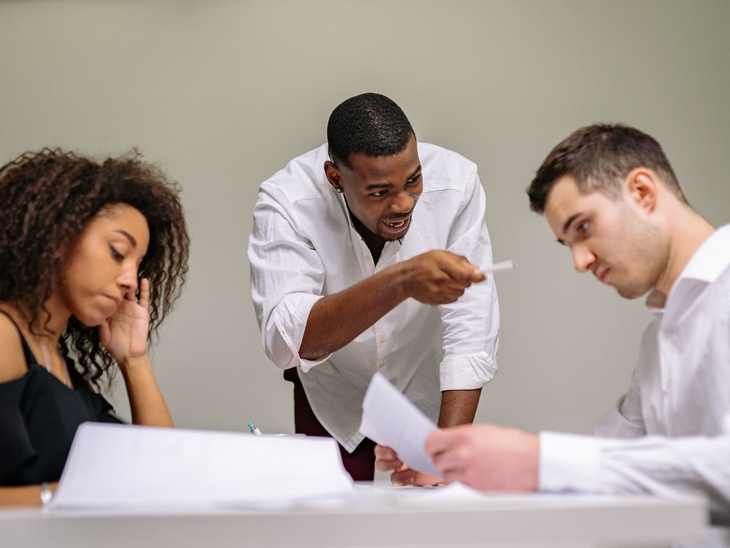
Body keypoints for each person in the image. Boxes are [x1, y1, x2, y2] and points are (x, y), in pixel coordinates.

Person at [419, 124, 730, 524]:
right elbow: (613, 458)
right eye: (569, 244)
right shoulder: (660, 339)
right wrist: (466, 462)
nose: (580, 262)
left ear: (642, 191)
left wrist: (535, 461)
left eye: (583, 228)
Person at [248, 92, 500, 482]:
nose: (403, 204)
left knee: (429, 523)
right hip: (333, 391)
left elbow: (471, 327)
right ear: (336, 177)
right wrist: (401, 281)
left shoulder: (456, 183)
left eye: (413, 180)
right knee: (334, 526)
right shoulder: (288, 201)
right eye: (380, 192)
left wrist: (445, 455)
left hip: (423, 376)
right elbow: (285, 342)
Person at [0, 148, 190, 506]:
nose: (131, 280)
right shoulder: (4, 335)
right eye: (118, 252)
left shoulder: (61, 367)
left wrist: (134, 359)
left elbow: (161, 469)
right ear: (57, 236)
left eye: (138, 264)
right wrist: (68, 497)